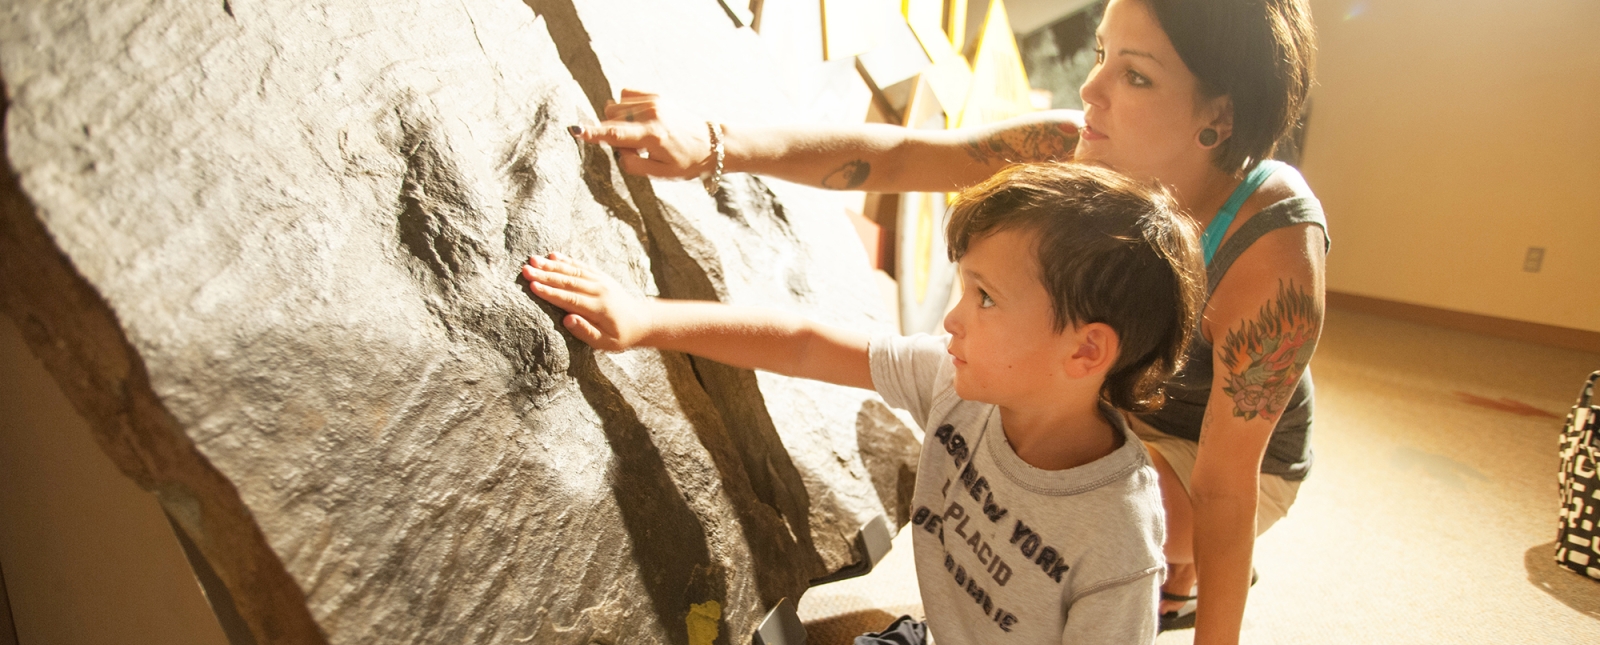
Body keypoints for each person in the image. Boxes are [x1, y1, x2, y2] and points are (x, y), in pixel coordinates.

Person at [572, 1, 1326, 642]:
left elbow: (1228, 487)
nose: (1091, 88)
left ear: (1219, 118)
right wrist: (713, 143)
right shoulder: (1081, 149)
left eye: (1135, 74)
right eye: (1101, 54)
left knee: (1094, 520)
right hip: (1100, 379)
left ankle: (1178, 573)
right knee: (1019, 431)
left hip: (1212, 448)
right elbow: (903, 157)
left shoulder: (1274, 251)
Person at [523, 163, 1206, 644]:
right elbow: (806, 344)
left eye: (987, 297)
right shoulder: (957, 380)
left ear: (1085, 353)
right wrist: (642, 318)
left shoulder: (1119, 541)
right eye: (964, 288)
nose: (952, 319)